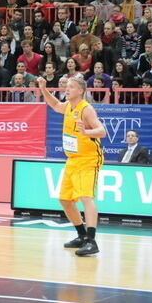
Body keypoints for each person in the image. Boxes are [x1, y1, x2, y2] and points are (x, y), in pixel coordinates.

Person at [37, 75, 106, 257]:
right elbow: (54, 105)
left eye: (71, 87)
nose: (67, 89)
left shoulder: (86, 109)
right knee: (65, 199)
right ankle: (81, 236)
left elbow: (102, 131)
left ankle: (92, 241)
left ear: (81, 91)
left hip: (89, 159)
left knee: (86, 197)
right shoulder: (68, 106)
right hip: (73, 159)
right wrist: (44, 89)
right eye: (66, 86)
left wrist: (87, 131)